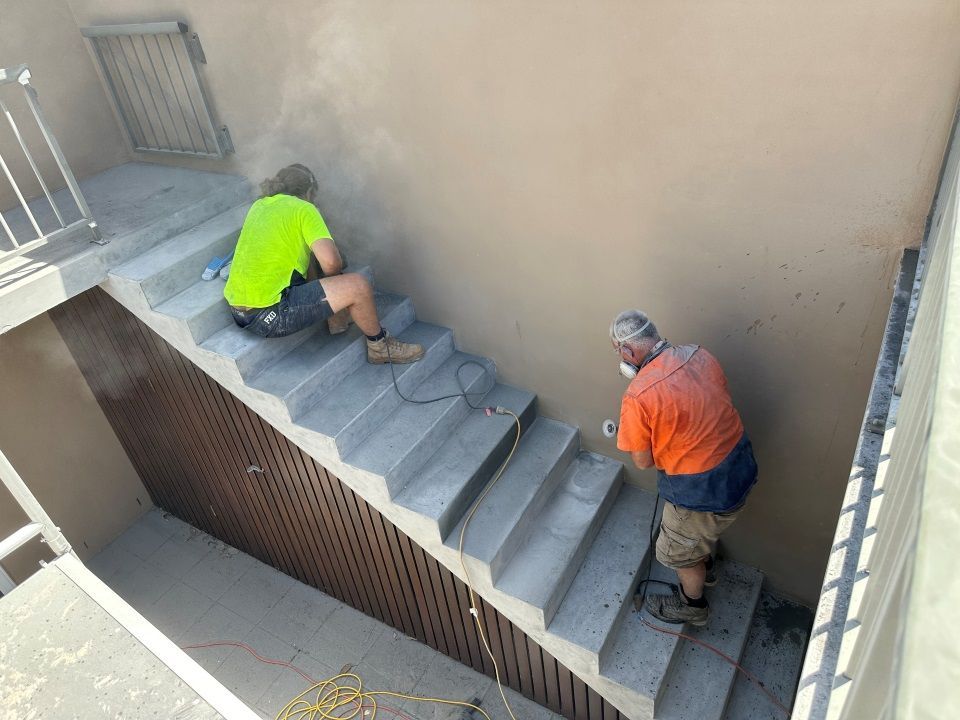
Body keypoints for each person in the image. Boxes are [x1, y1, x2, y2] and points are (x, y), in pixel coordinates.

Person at [610, 310, 757, 626]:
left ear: (628, 351)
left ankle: (693, 607)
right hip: (741, 467)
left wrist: (640, 431)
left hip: (704, 493)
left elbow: (643, 461)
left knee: (674, 553)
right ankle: (705, 566)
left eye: (618, 352)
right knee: (700, 533)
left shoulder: (638, 395)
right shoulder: (699, 354)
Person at [224, 164, 424, 364]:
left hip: (239, 312)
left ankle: (338, 317)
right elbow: (331, 262)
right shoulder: (304, 208)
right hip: (270, 315)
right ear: (309, 192)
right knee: (358, 286)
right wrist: (338, 288)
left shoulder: (259, 206)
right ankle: (380, 347)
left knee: (312, 258)